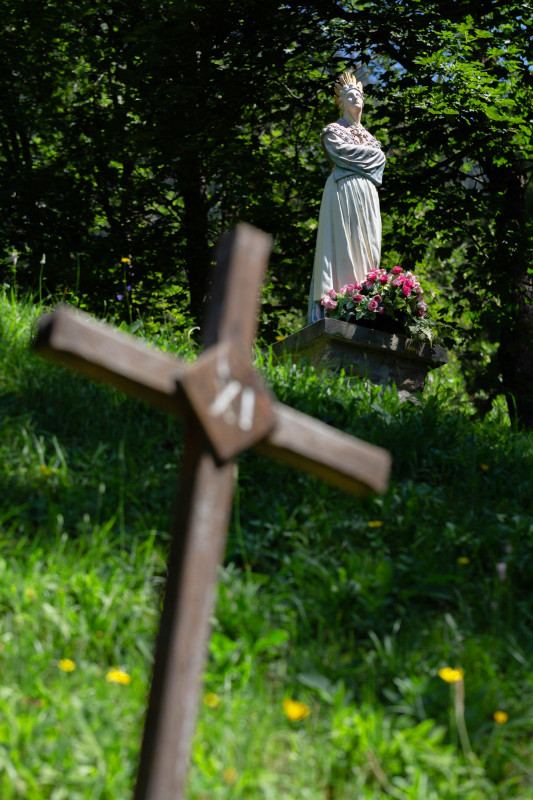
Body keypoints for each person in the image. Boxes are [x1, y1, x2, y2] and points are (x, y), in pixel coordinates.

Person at [307, 72, 386, 324]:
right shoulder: (333, 131)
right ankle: (340, 304)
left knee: (369, 247)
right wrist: (371, 160)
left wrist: (370, 160)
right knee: (343, 244)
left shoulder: (372, 139)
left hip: (368, 196)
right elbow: (340, 152)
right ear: (341, 102)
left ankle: (367, 302)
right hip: (344, 193)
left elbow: (381, 160)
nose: (356, 99)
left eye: (359, 95)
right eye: (350, 96)